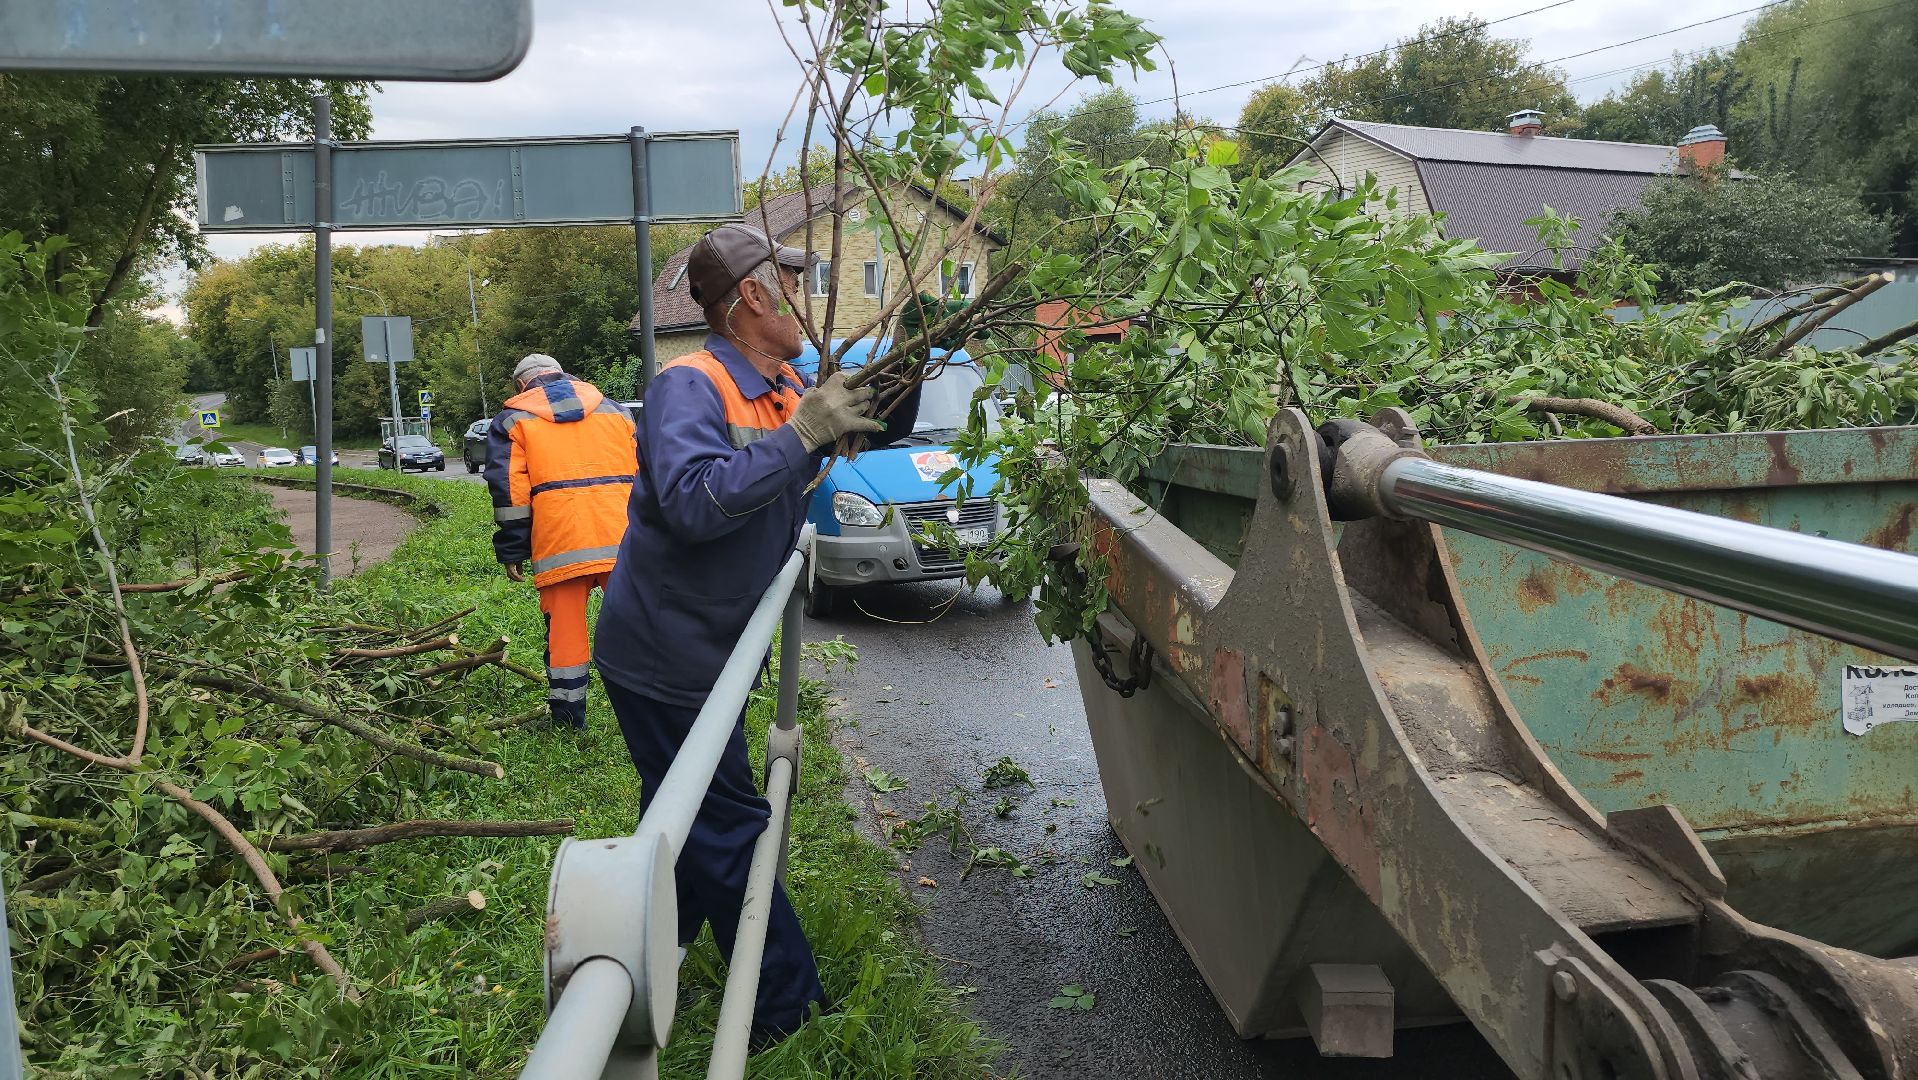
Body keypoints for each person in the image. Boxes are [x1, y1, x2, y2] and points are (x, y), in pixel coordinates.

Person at [594, 222, 920, 1043]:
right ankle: (790, 1014)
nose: (806, 300)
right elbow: (698, 502)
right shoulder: (691, 385)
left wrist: (913, 363)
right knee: (729, 824)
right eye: (793, 281)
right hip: (668, 655)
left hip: (714, 652)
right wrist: (803, 435)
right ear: (752, 296)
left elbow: (862, 427)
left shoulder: (780, 389)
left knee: (683, 819)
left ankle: (637, 962)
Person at [484, 352, 636, 730]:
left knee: (566, 636)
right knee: (638, 627)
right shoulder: (616, 411)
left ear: (522, 385)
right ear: (563, 374)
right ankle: (649, 710)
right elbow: (645, 471)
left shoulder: (513, 420)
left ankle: (569, 720)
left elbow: (510, 492)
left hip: (560, 544)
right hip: (623, 540)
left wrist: (513, 547)